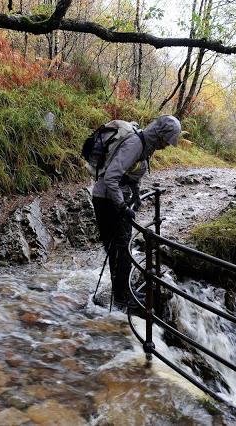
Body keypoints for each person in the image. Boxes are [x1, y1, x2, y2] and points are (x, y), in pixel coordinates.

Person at [92, 115, 182, 309]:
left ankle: (120, 293)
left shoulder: (144, 146)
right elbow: (111, 178)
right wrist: (123, 207)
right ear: (159, 135)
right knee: (120, 249)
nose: (166, 146)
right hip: (107, 200)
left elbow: (132, 175)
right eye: (166, 141)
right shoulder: (135, 144)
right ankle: (122, 297)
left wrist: (136, 194)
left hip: (113, 199)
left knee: (120, 248)